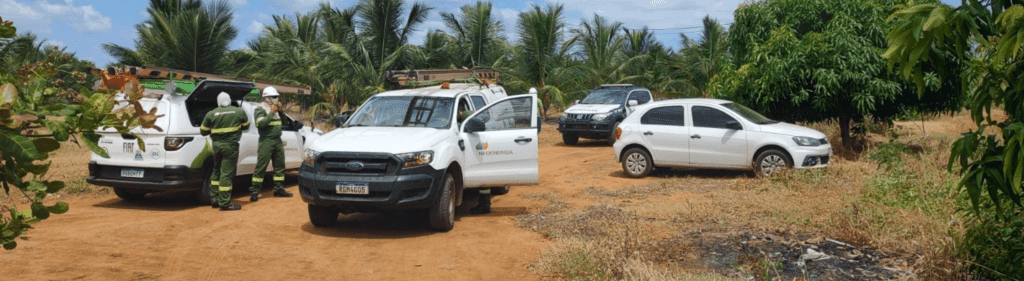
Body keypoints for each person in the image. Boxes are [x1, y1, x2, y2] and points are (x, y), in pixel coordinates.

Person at [200, 92, 250, 211]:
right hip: (231, 147)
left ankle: (214, 199)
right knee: (226, 173)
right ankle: (224, 203)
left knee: (216, 171)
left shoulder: (211, 114)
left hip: (216, 147)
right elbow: (246, 126)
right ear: (229, 100)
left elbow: (203, 131)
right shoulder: (238, 111)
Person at [249, 87, 293, 201]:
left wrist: (281, 112)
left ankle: (278, 189)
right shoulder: (260, 109)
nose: (276, 99)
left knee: (279, 166)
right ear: (266, 98)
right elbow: (261, 124)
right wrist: (271, 113)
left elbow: (285, 122)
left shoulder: (276, 110)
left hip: (277, 141)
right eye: (274, 97)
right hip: (266, 141)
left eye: (277, 97)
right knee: (261, 166)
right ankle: (254, 191)